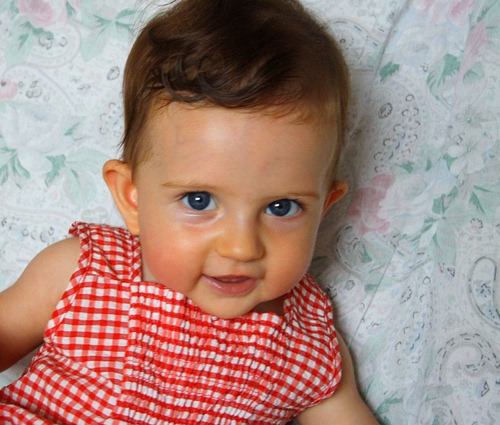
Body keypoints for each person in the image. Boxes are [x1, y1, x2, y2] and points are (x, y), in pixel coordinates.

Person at [0, 0, 379, 423]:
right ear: (132, 198)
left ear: (324, 208)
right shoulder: (84, 272)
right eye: (199, 201)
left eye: (281, 207)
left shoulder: (307, 344)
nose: (240, 247)